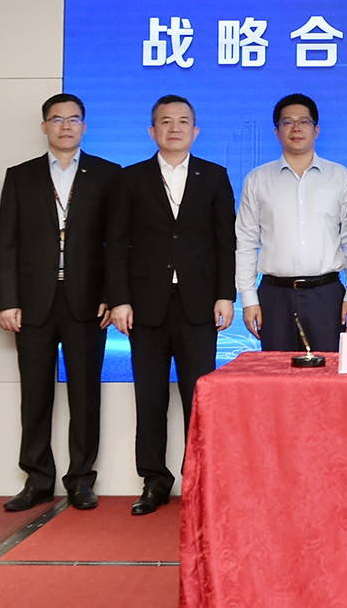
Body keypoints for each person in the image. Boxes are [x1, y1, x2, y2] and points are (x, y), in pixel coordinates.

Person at [107, 95, 236, 515]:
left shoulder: (214, 176)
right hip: (145, 307)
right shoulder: (131, 178)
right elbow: (116, 245)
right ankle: (154, 481)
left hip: (199, 306)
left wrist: (226, 295)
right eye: (165, 121)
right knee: (150, 398)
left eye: (183, 121)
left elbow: (226, 242)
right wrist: (120, 299)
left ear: (195, 131)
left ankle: (198, 481)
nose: (174, 128)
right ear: (152, 131)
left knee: (198, 399)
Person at [0, 93, 119, 512]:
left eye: (73, 119)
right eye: (57, 119)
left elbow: (117, 243)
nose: (65, 126)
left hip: (87, 302)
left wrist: (112, 296)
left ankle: (81, 479)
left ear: (84, 125)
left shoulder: (107, 174)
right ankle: (37, 479)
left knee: (85, 395)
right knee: (35, 394)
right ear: (44, 126)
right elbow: (7, 243)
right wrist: (7, 300)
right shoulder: (21, 176)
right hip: (33, 302)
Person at [235, 94, 347, 352]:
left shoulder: (339, 176)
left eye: (304, 122)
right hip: (274, 297)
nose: (296, 128)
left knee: (328, 372)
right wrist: (248, 299)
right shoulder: (257, 179)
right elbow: (245, 242)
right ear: (277, 132)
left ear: (316, 130)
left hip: (327, 296)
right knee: (277, 373)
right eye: (287, 122)